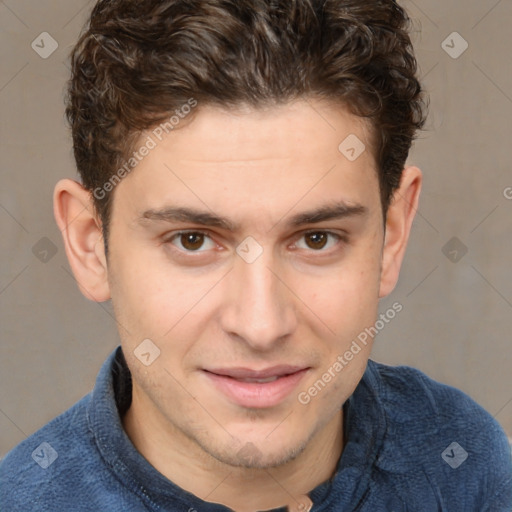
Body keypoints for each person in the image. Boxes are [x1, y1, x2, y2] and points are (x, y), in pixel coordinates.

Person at [1, 0, 511, 510]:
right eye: (193, 240)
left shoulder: (471, 469)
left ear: (392, 234)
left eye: (317, 239)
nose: (261, 326)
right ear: (91, 244)